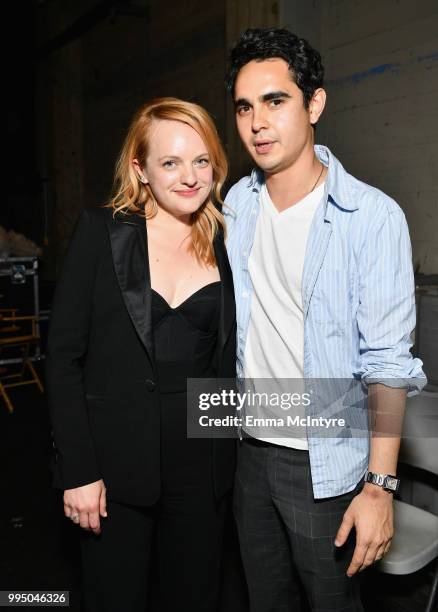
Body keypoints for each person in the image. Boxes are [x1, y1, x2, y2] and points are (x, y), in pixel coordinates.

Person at [224, 28, 426, 612]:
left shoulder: (372, 217)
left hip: (326, 465)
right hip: (247, 451)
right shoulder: (235, 206)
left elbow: (389, 364)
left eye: (275, 100)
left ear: (314, 104)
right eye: (244, 106)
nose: (257, 122)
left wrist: (380, 488)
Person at [45, 97, 237, 612]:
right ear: (141, 169)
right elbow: (63, 359)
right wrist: (78, 470)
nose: (190, 177)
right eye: (170, 162)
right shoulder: (101, 234)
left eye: (201, 161)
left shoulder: (226, 238)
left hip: (205, 471)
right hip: (114, 469)